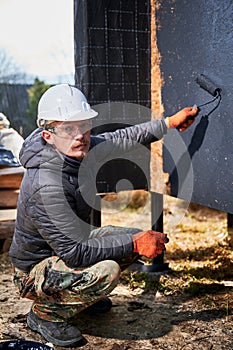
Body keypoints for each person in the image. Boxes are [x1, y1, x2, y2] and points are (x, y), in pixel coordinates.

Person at [9, 84, 198, 348]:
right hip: (33, 271)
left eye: (83, 125)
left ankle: (77, 299)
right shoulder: (46, 184)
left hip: (65, 250)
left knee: (131, 238)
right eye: (67, 128)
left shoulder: (75, 150)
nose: (80, 135)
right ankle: (45, 316)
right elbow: (75, 253)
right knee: (108, 269)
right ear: (48, 135)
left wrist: (169, 123)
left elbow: (124, 137)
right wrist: (134, 244)